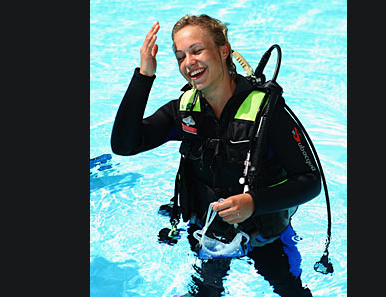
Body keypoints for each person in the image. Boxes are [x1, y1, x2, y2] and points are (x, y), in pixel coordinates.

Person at [111, 14, 321, 297]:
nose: (188, 62)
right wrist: (144, 76)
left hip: (266, 236)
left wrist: (254, 203)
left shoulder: (267, 114)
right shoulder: (183, 111)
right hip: (208, 234)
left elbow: (309, 181)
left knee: (290, 290)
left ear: (223, 51)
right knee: (204, 292)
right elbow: (124, 145)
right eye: (180, 56)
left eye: (197, 51)